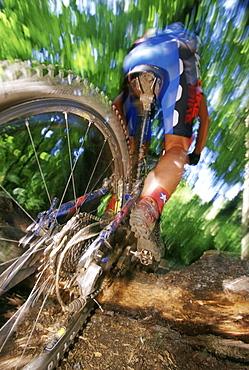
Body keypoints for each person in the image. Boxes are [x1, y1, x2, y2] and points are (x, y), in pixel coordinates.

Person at [113, 22, 210, 263]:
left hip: (136, 58)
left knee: (136, 149)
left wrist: (126, 138)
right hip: (176, 60)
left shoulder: (152, 35)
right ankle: (148, 205)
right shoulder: (186, 46)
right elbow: (205, 119)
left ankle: (111, 211)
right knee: (176, 147)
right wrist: (195, 152)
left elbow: (117, 104)